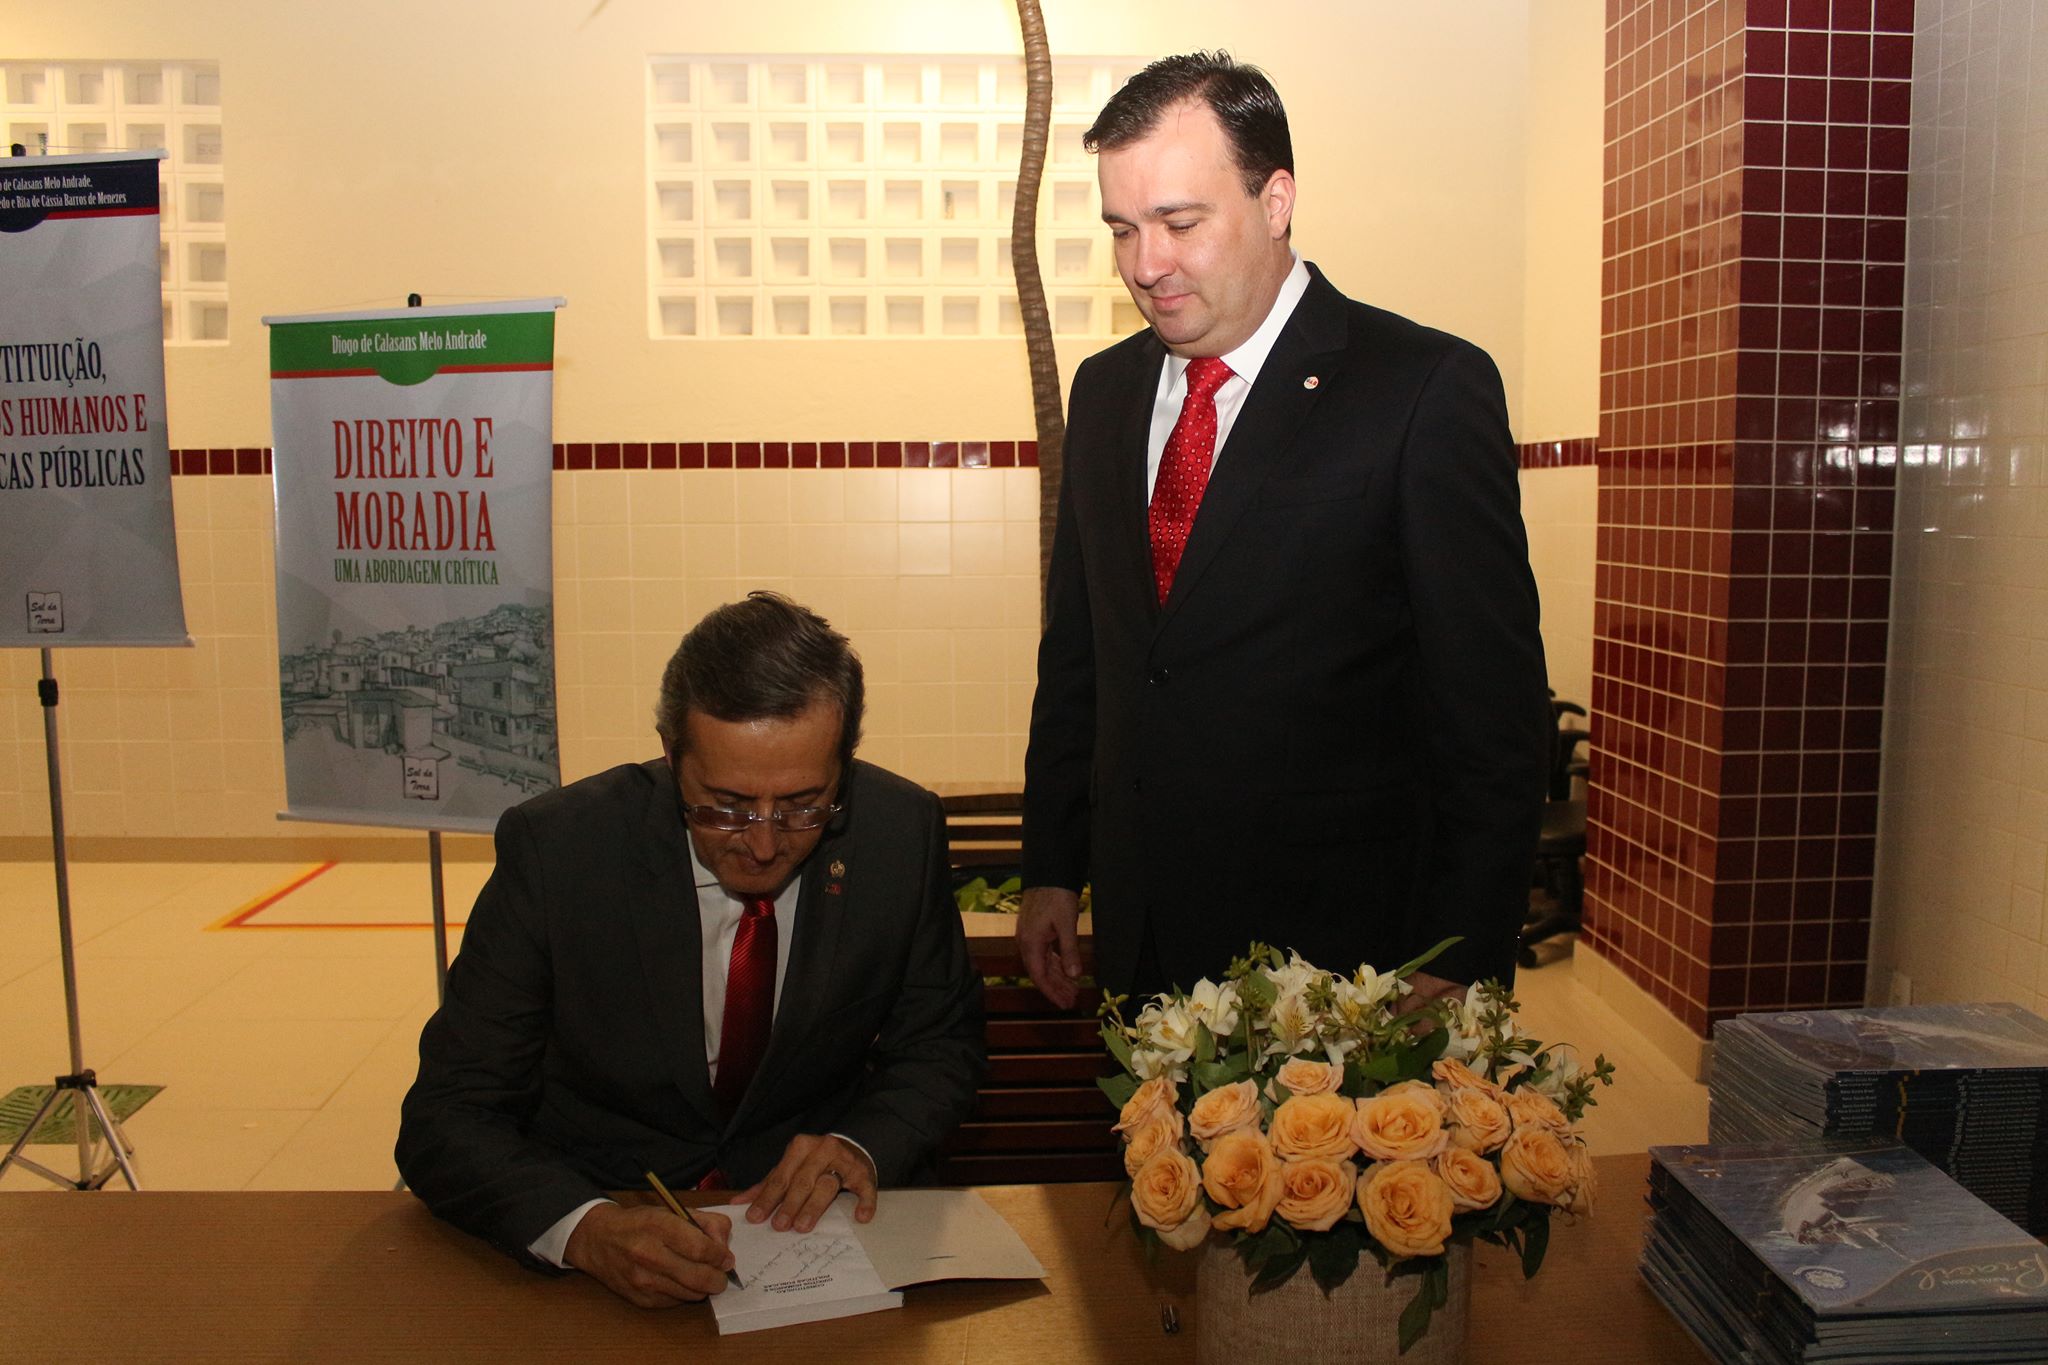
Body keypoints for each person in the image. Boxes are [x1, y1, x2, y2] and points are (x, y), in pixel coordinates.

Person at [1019, 52, 1551, 1010]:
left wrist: (1462, 947)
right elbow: (1082, 659)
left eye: (1181, 223)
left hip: (1348, 963)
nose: (1146, 265)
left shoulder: (1422, 390)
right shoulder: (1103, 394)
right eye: (1123, 229)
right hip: (1143, 941)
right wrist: (1053, 865)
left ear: (1275, 201)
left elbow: (1492, 712)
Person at [397, 591, 984, 1308]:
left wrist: (862, 1144)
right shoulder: (560, 852)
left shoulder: (900, 833)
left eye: (804, 805)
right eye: (725, 805)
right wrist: (584, 1230)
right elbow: (448, 1112)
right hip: (606, 1217)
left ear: (845, 764)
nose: (763, 843)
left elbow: (940, 1045)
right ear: (672, 754)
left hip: (815, 1237)